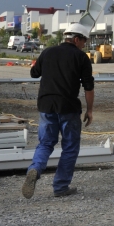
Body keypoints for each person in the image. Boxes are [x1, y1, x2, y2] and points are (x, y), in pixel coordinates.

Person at [21, 23, 95, 198]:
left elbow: (34, 73)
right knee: (70, 147)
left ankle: (35, 169)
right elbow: (88, 87)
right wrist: (90, 110)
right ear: (77, 39)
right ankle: (61, 187)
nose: (84, 45)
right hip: (68, 107)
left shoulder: (48, 52)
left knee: (45, 143)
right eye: (84, 41)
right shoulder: (81, 57)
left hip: (46, 105)